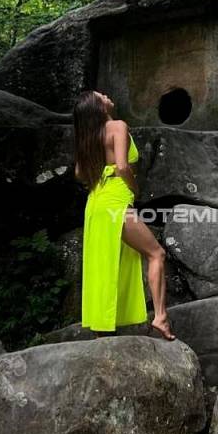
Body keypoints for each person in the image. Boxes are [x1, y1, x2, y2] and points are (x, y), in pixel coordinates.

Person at [73, 90, 175, 340]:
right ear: (97, 107)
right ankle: (160, 317)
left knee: (102, 264)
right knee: (156, 254)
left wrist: (100, 175)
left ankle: (102, 331)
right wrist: (134, 188)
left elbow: (79, 173)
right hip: (115, 201)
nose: (106, 95)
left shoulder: (90, 136)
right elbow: (121, 166)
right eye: (100, 96)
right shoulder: (117, 126)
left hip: (95, 203)